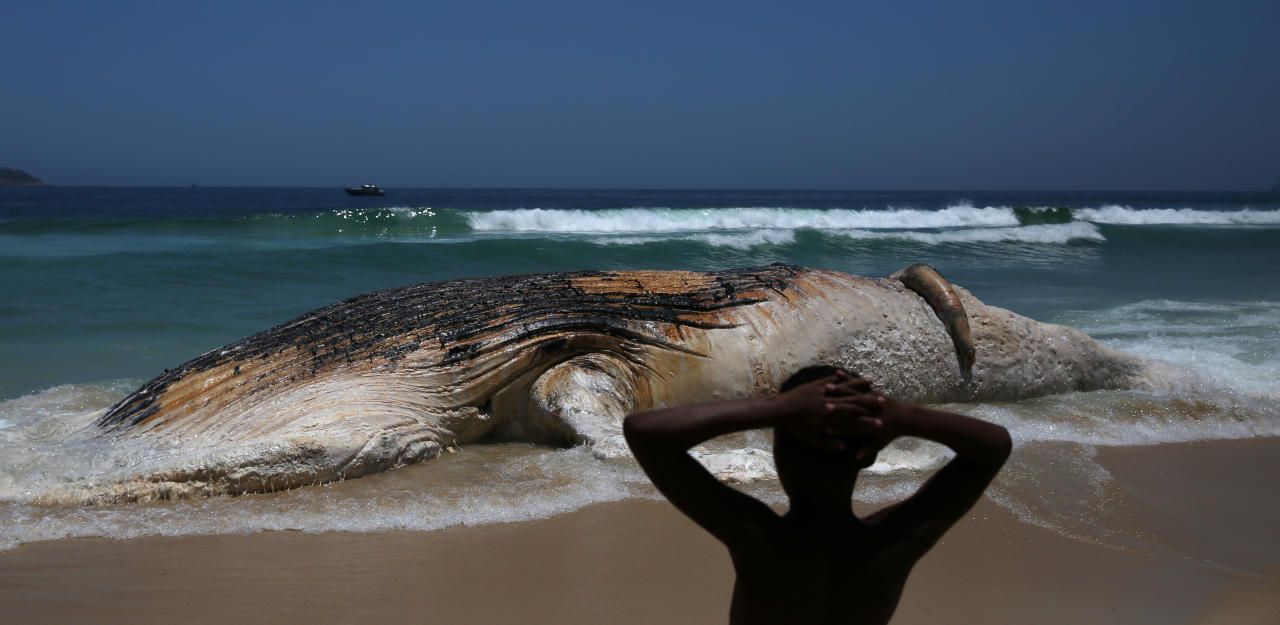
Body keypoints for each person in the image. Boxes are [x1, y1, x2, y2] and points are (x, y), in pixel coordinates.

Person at [622, 365, 1012, 625]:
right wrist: (902, 416)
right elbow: (993, 446)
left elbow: (645, 432)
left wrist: (777, 407)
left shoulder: (761, 541)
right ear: (870, 454)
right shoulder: (894, 542)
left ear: (779, 453)